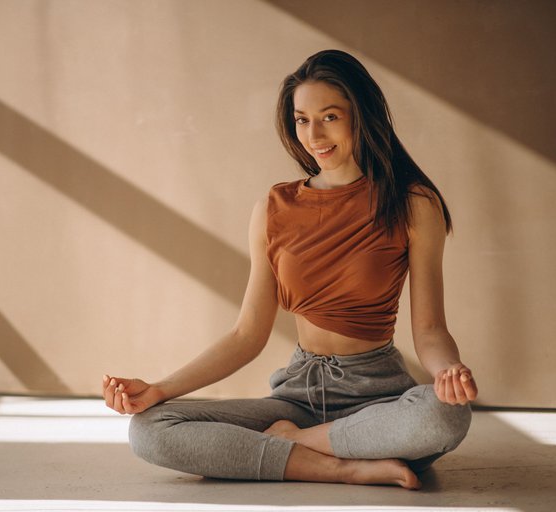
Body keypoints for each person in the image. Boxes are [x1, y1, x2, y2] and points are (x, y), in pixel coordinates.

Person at [102, 49, 478, 490]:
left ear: (362, 116)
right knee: (149, 429)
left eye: (330, 116)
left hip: (377, 396)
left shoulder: (412, 203)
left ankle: (295, 444)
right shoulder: (274, 208)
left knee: (446, 415)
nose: (314, 134)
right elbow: (247, 334)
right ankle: (338, 463)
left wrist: (448, 372)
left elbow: (430, 327)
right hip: (295, 395)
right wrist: (160, 390)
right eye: (302, 120)